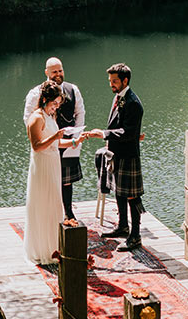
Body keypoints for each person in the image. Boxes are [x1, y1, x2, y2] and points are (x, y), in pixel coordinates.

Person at [83, 63, 144, 252]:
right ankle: (122, 226)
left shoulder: (133, 103)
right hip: (115, 153)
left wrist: (103, 134)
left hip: (128, 155)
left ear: (125, 80)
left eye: (115, 81)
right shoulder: (119, 97)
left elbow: (128, 132)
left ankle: (135, 236)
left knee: (132, 196)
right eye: (110, 81)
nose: (111, 84)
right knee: (119, 192)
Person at [23, 81, 85, 264]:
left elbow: (56, 143)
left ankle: (55, 246)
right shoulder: (37, 118)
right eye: (54, 104)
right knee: (44, 204)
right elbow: (36, 146)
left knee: (55, 204)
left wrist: (75, 141)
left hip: (53, 163)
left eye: (58, 104)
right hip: (42, 166)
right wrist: (55, 136)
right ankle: (43, 249)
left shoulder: (50, 116)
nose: (56, 107)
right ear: (44, 100)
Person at [23, 57, 86, 222]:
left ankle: (68, 212)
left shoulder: (73, 89)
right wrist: (42, 135)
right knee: (48, 183)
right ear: (46, 72)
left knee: (66, 182)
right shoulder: (36, 93)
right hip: (46, 145)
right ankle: (50, 215)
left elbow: (80, 114)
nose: (58, 74)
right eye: (54, 72)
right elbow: (28, 118)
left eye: (60, 70)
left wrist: (76, 139)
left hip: (66, 143)